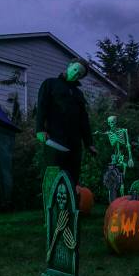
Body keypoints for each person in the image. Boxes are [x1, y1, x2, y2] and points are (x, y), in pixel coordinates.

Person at [36, 59, 98, 188]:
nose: (76, 74)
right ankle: (51, 207)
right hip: (55, 139)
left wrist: (89, 143)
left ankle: (70, 207)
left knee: (72, 177)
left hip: (75, 143)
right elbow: (42, 107)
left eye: (80, 74)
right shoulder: (50, 84)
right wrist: (40, 129)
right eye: (75, 69)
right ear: (69, 66)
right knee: (53, 174)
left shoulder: (79, 94)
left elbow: (83, 120)